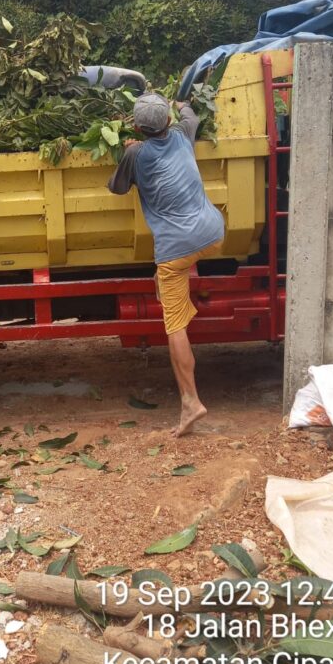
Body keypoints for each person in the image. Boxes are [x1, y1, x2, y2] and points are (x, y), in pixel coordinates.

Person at [107, 92, 224, 437]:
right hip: (213, 232)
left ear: (137, 126)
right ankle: (180, 305)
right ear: (168, 121)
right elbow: (193, 115)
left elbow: (117, 188)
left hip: (175, 249)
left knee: (174, 326)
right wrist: (181, 102)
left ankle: (191, 402)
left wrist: (128, 148)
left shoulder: (134, 153)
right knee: (171, 293)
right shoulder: (183, 134)